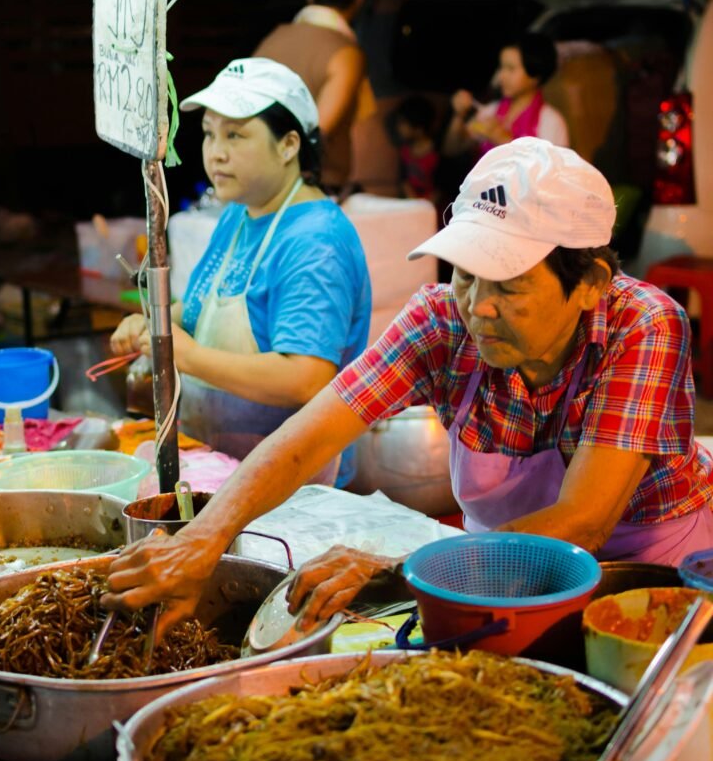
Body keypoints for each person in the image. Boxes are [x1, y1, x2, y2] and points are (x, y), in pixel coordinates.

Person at [104, 137, 713, 637]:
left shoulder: (644, 325)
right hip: (483, 573)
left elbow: (583, 522)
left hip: (640, 582)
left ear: (590, 283)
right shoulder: (440, 319)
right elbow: (309, 436)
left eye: (507, 284)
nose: (479, 308)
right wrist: (202, 542)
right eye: (465, 275)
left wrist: (399, 571)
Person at [110, 57, 371, 486]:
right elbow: (198, 310)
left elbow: (305, 377)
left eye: (236, 134)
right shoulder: (239, 215)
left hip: (294, 483)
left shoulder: (315, 240)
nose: (216, 152)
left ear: (288, 145)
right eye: (210, 134)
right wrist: (154, 324)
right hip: (222, 469)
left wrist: (189, 357)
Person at [253, 0, 374, 192]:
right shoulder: (346, 53)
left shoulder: (271, 40)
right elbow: (317, 133)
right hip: (313, 187)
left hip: (261, 182)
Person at [443, 33, 568, 159]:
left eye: (511, 69)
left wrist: (503, 139)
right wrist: (458, 116)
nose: (501, 76)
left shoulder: (551, 121)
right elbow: (452, 150)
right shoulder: (491, 111)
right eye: (501, 67)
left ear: (535, 75)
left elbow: (553, 172)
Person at [394, 95, 440, 204]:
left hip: (432, 208)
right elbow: (404, 179)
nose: (398, 127)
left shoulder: (437, 154)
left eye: (403, 123)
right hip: (412, 206)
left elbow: (441, 188)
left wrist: (424, 206)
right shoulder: (405, 151)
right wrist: (413, 201)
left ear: (419, 128)